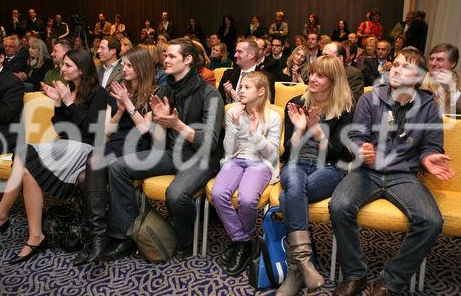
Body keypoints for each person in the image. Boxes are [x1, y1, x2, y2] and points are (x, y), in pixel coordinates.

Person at [330, 47, 454, 295]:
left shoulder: (429, 107)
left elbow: (431, 146)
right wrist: (360, 150)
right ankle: (356, 274)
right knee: (339, 206)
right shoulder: (369, 98)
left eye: (405, 66)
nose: (396, 69)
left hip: (404, 175)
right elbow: (356, 135)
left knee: (431, 221)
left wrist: (429, 158)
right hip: (367, 171)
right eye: (395, 64)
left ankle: (390, 281)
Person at [0, 49, 108, 266]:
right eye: (63, 65)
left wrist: (69, 103)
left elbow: (93, 130)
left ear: (81, 69)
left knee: (23, 152)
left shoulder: (98, 93)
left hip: (86, 148)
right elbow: (61, 127)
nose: (62, 69)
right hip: (65, 143)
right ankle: (35, 236)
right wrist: (59, 104)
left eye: (68, 65)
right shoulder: (68, 89)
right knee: (26, 169)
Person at [105, 38, 224, 260]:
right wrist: (159, 122)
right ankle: (125, 235)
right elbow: (149, 130)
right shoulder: (165, 89)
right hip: (171, 153)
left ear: (188, 60)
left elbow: (210, 142)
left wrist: (176, 124)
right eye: (165, 55)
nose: (165, 59)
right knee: (118, 167)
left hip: (201, 158)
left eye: (171, 56)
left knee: (176, 194)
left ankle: (185, 241)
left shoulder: (210, 94)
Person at [276, 56, 354, 295]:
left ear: (334, 81)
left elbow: (343, 153)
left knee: (289, 197)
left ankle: (296, 270)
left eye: (320, 75)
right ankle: (304, 262)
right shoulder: (296, 102)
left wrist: (319, 133)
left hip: (329, 168)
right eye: (312, 73)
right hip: (297, 163)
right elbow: (289, 151)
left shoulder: (347, 109)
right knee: (295, 182)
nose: (312, 78)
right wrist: (299, 130)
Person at [73, 47, 157, 265]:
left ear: (141, 67)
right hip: (117, 144)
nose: (124, 69)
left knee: (91, 165)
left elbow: (145, 129)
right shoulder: (118, 90)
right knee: (83, 177)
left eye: (129, 65)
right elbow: (107, 132)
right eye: (124, 64)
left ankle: (100, 238)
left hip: (138, 148)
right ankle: (100, 235)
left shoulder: (154, 92)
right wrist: (119, 110)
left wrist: (128, 104)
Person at [212, 71, 281, 276]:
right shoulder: (233, 110)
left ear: (261, 91)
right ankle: (243, 241)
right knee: (218, 194)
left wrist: (255, 133)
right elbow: (228, 149)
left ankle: (240, 242)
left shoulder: (273, 116)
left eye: (246, 87)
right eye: (240, 87)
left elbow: (273, 152)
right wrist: (233, 125)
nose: (240, 90)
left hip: (261, 163)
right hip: (236, 159)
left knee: (248, 200)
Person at [421, 43, 460, 114]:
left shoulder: (459, 81)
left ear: (453, 63)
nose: (433, 63)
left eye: (439, 59)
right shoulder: (420, 78)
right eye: (431, 59)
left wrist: (452, 88)